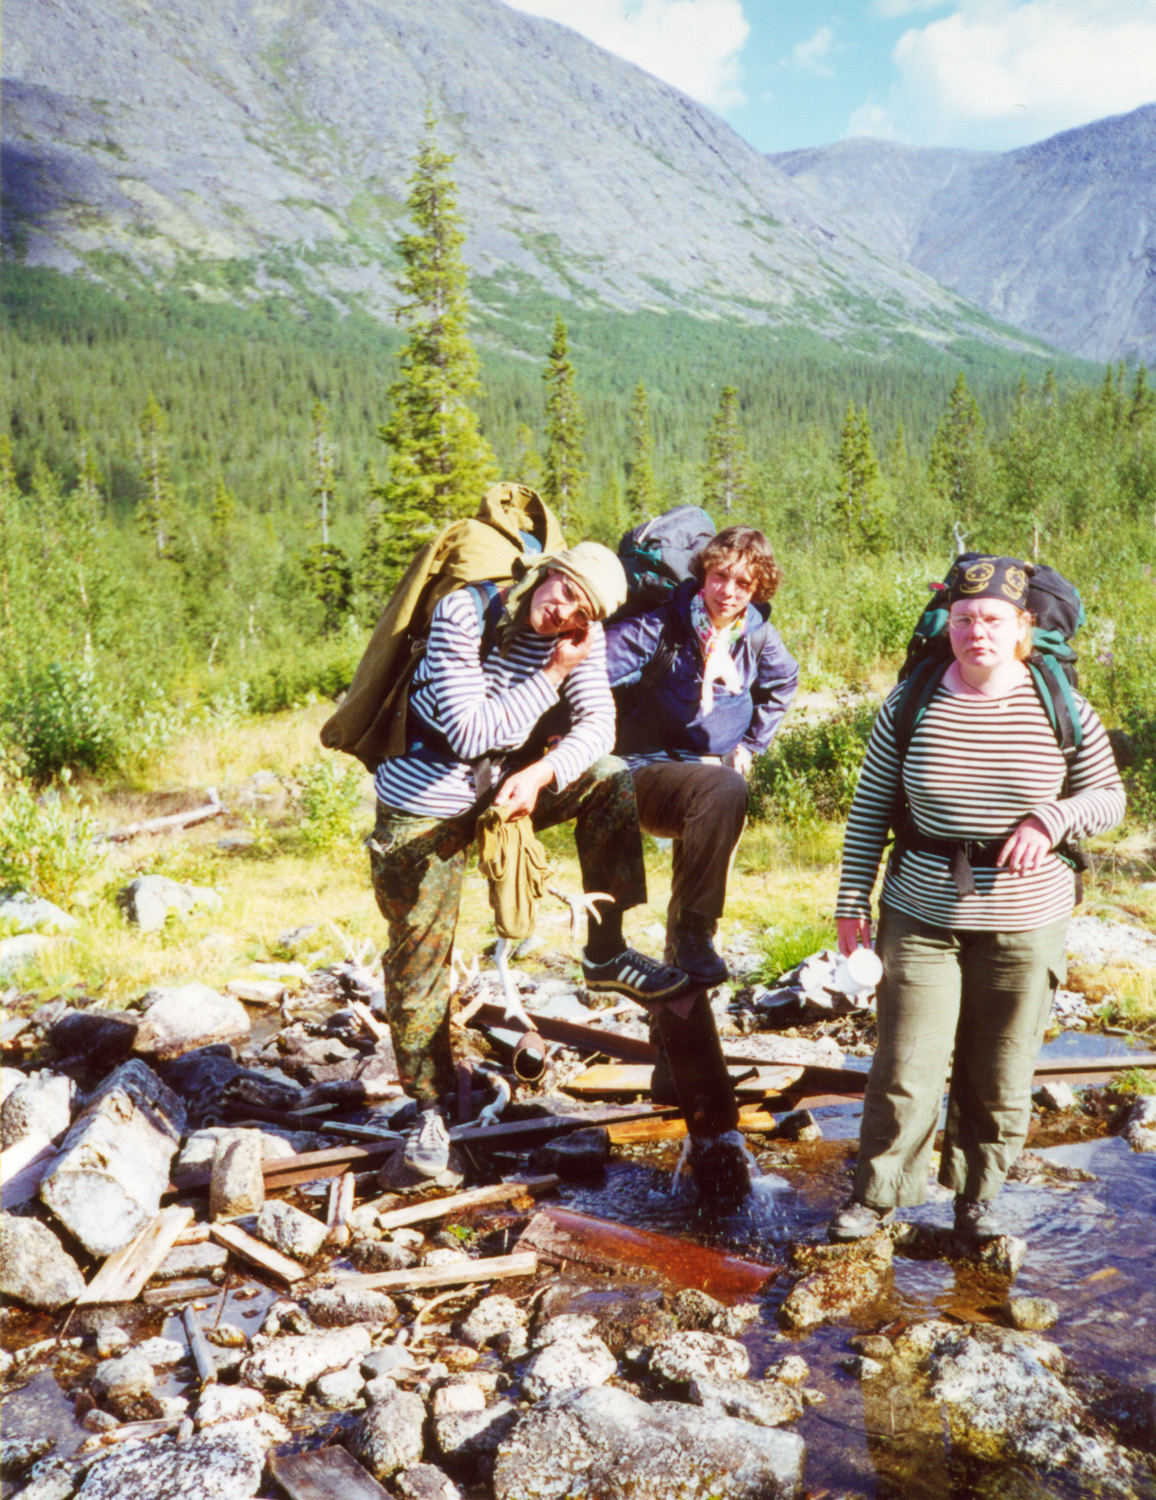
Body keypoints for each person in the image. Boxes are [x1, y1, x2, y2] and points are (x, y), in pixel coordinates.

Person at [367, 541, 689, 1177]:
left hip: (503, 790)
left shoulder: (581, 635)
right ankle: (430, 1107)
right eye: (563, 590)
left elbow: (600, 727)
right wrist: (550, 677)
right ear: (546, 573)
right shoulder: (464, 609)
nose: (563, 611)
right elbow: (467, 732)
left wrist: (543, 772)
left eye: (582, 610)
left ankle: (607, 950)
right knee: (419, 952)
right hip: (422, 799)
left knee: (609, 775)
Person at [829, 556, 1125, 1243]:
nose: (976, 633)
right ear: (948, 625)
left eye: (992, 619)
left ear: (1023, 627)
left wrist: (1051, 820)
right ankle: (877, 1199)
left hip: (1028, 919)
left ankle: (976, 1200)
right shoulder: (912, 701)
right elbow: (871, 807)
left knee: (1000, 1068)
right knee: (906, 1066)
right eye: (963, 619)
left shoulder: (1062, 705)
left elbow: (1108, 797)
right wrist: (852, 904)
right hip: (922, 911)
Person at [604, 525, 799, 985]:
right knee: (724, 789)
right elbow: (590, 668)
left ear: (759, 588)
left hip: (708, 773)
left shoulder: (756, 635)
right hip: (646, 766)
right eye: (719, 576)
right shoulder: (661, 625)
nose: (727, 592)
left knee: (719, 802)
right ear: (703, 573)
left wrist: (752, 743)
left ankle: (683, 971)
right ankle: (683, 938)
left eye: (743, 583)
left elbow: (784, 682)